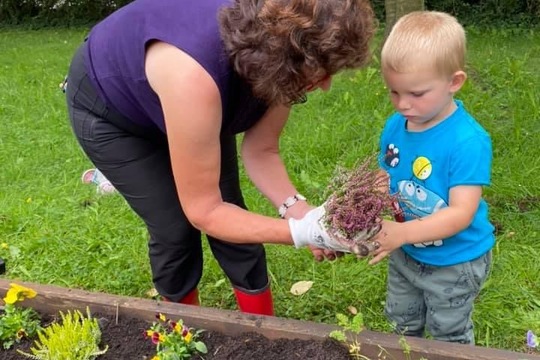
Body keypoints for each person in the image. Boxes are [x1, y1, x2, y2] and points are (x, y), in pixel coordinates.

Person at [65, 0, 375, 316]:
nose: (325, 85)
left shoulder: (278, 60)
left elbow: (262, 150)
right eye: (323, 70)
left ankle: (262, 331)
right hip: (114, 114)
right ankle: (181, 335)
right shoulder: (196, 76)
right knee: (175, 229)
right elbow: (205, 210)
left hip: (192, 99)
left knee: (234, 213)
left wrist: (301, 212)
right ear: (288, 55)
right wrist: (304, 233)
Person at [369, 11, 494, 344]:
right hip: (407, 252)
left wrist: (401, 232)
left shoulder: (467, 141)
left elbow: (460, 214)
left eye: (417, 94)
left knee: (447, 334)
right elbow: (386, 171)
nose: (403, 105)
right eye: (394, 92)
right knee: (402, 323)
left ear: (454, 82)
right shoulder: (396, 126)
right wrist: (375, 193)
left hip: (454, 261)